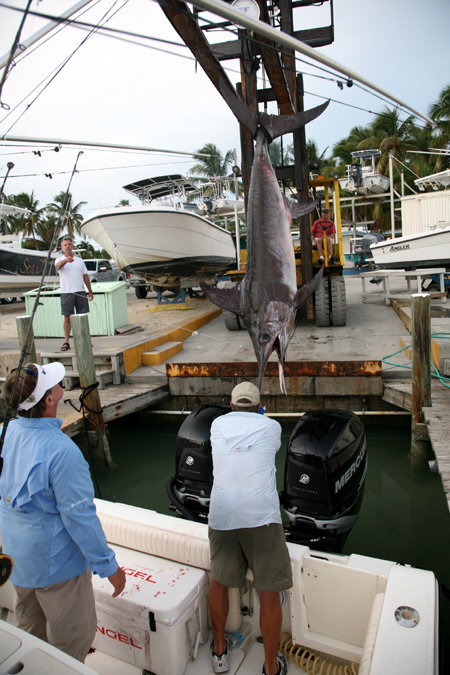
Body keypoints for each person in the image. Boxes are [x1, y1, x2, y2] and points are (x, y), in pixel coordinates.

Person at [0, 362, 126, 662]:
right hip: (57, 569)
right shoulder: (63, 452)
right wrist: (109, 568)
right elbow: (80, 518)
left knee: (30, 633)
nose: (61, 386)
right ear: (49, 400)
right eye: (55, 384)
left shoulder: (5, 433)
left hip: (17, 560)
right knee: (71, 643)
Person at [208, 382, 292, 675]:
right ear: (260, 407)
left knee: (219, 581)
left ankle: (219, 651)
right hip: (261, 517)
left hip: (223, 514)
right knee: (268, 593)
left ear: (230, 405)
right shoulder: (271, 428)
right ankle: (270, 667)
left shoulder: (217, 426)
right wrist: (261, 417)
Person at [56, 236, 94, 352]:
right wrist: (65, 261)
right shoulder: (59, 260)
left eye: (69, 244)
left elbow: (85, 276)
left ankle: (85, 339)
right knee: (67, 317)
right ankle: (66, 342)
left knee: (82, 317)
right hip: (66, 292)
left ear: (72, 246)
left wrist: (90, 291)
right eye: (65, 245)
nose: (68, 247)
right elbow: (57, 267)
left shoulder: (80, 261)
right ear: (62, 248)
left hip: (80, 291)